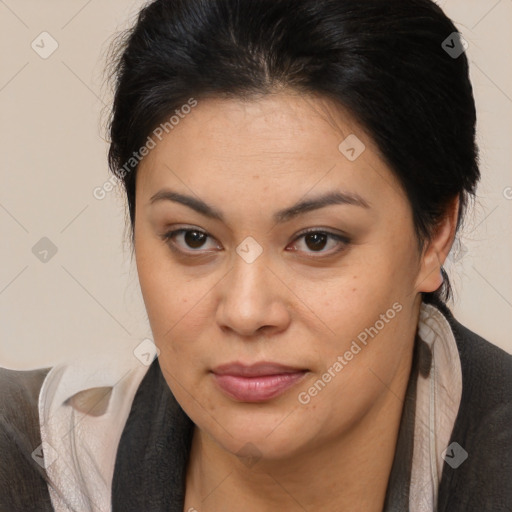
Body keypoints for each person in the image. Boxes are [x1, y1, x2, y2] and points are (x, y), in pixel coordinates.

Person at [1, 0, 511, 511]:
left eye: (316, 240)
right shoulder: (27, 464)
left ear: (435, 234)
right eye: (193, 238)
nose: (246, 312)